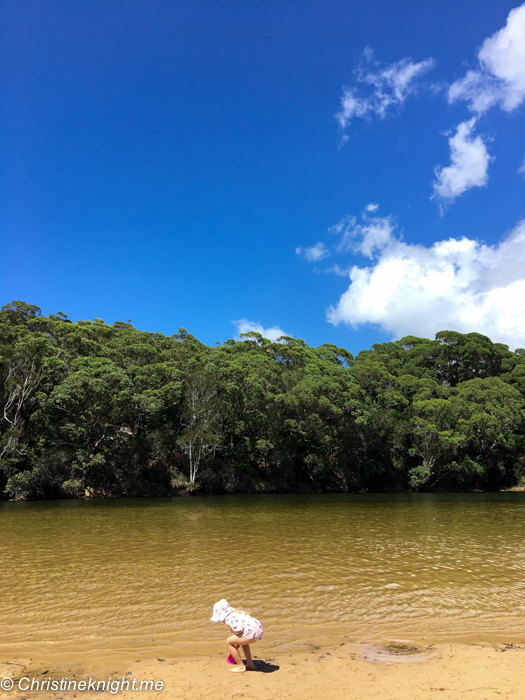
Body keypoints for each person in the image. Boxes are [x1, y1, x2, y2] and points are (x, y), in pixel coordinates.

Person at [210, 599, 264, 673]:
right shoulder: (236, 613)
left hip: (251, 633)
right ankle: (250, 664)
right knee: (243, 642)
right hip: (259, 631)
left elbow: (238, 630)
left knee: (229, 642)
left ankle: (241, 666)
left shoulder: (228, 619)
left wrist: (236, 634)